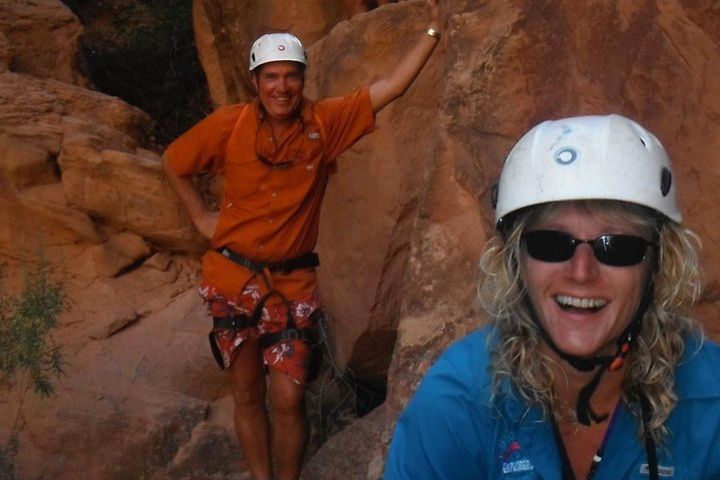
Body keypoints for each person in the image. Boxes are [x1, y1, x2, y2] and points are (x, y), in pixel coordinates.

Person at [162, 2, 442, 479]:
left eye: (290, 76)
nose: (281, 87)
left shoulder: (322, 124)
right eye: (270, 77)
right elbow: (174, 160)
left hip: (291, 285)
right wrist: (201, 216)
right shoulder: (230, 126)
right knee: (247, 392)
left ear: (303, 80)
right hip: (231, 278)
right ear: (255, 82)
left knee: (288, 396)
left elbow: (390, 88)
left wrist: (434, 30)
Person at [384, 114, 720, 479]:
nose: (581, 272)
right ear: (515, 261)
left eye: (616, 246)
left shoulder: (710, 401)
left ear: (657, 264)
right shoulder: (460, 402)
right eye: (550, 243)